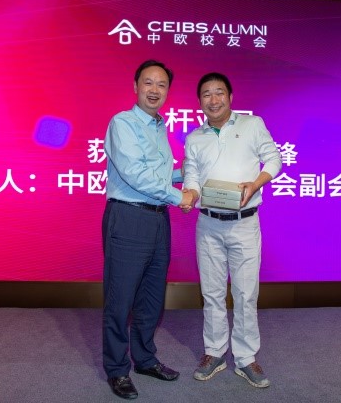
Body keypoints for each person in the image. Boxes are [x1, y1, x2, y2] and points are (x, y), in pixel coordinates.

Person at [102, 59, 194, 400]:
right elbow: (135, 175)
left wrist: (189, 175)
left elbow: (158, 175)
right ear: (136, 86)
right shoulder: (123, 123)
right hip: (128, 217)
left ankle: (144, 359)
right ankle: (117, 369)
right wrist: (180, 196)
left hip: (157, 218)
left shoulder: (159, 127)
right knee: (120, 299)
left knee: (151, 297)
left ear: (168, 91)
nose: (155, 90)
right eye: (148, 83)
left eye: (162, 84)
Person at [182, 72, 282, 388]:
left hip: (245, 224)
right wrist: (190, 194)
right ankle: (214, 353)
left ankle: (246, 358)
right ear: (200, 102)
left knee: (245, 293)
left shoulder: (252, 125)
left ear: (230, 96)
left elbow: (274, 159)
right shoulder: (195, 138)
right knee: (211, 293)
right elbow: (191, 175)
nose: (213, 100)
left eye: (219, 92)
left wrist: (255, 184)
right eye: (206, 94)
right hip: (208, 224)